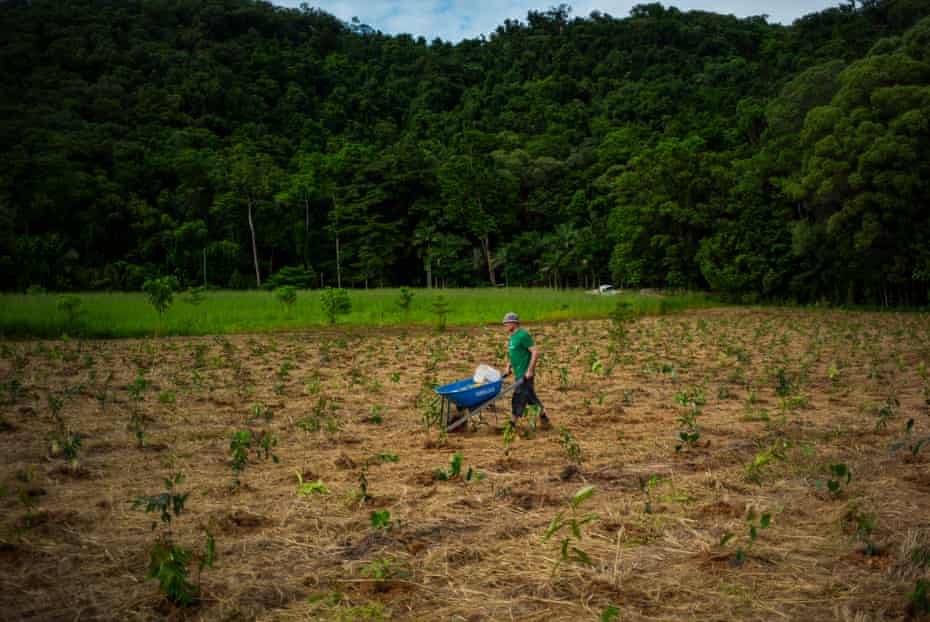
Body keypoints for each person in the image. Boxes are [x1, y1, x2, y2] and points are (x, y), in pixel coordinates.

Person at [501, 312, 551, 429]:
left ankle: (512, 424)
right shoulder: (513, 337)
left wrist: (529, 371)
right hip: (518, 372)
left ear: (513, 323)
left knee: (518, 396)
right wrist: (508, 366)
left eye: (506, 324)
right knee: (531, 398)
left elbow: (535, 352)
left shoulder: (523, 335)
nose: (505, 326)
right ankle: (544, 418)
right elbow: (514, 353)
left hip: (525, 374)